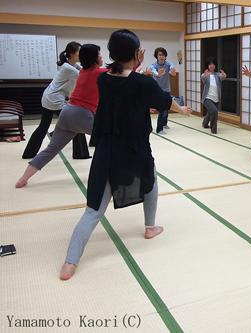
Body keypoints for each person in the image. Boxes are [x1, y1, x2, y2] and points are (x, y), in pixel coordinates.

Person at [59, 29, 191, 280]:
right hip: (134, 150)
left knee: (94, 209)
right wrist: (182, 109)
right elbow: (163, 99)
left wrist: (135, 65)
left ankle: (70, 262)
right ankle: (150, 228)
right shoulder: (143, 83)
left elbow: (125, 81)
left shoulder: (104, 79)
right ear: (135, 53)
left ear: (111, 54)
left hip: (107, 150)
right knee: (150, 181)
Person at [15, 44, 107, 188]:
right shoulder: (95, 72)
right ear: (94, 59)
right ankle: (106, 174)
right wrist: (135, 63)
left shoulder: (82, 71)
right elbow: (122, 73)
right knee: (109, 140)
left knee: (51, 149)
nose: (102, 57)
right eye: (100, 55)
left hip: (67, 112)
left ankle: (23, 178)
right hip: (76, 112)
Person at [22, 41, 90, 160]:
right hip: (55, 100)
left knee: (43, 127)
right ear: (71, 53)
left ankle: (29, 153)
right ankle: (80, 153)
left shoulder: (71, 66)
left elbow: (84, 71)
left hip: (49, 97)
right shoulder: (70, 69)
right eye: (79, 51)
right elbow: (85, 77)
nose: (81, 54)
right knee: (76, 123)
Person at [150, 47, 176, 134]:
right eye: (160, 55)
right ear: (156, 56)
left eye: (163, 55)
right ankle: (159, 129)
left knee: (166, 108)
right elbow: (154, 72)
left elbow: (172, 68)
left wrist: (172, 71)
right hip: (156, 90)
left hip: (166, 89)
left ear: (165, 56)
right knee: (162, 109)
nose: (161, 57)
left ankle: (164, 124)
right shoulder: (153, 66)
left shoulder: (168, 64)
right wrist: (158, 74)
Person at [201, 57, 226, 134]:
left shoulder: (217, 75)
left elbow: (223, 77)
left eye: (213, 64)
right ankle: (213, 130)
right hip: (207, 98)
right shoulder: (205, 75)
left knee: (210, 112)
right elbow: (203, 78)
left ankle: (204, 124)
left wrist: (224, 75)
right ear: (208, 66)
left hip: (216, 98)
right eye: (210, 64)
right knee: (214, 111)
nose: (211, 66)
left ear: (215, 66)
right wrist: (205, 75)